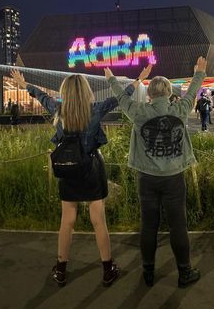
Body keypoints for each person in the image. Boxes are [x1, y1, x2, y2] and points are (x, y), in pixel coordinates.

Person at [10, 70, 134, 287]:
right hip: (92, 170)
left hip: (68, 170)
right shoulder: (95, 110)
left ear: (65, 92)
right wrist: (138, 81)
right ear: (86, 91)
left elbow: (41, 96)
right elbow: (120, 98)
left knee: (67, 221)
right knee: (99, 220)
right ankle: (107, 269)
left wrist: (24, 84)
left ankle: (61, 269)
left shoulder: (59, 110)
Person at [104, 56, 207, 288]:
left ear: (149, 94)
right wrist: (199, 73)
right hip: (173, 178)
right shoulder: (180, 109)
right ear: (170, 93)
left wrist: (111, 79)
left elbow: (122, 97)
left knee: (148, 224)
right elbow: (192, 94)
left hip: (147, 178)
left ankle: (148, 273)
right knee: (178, 224)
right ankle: (184, 272)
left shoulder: (138, 112)